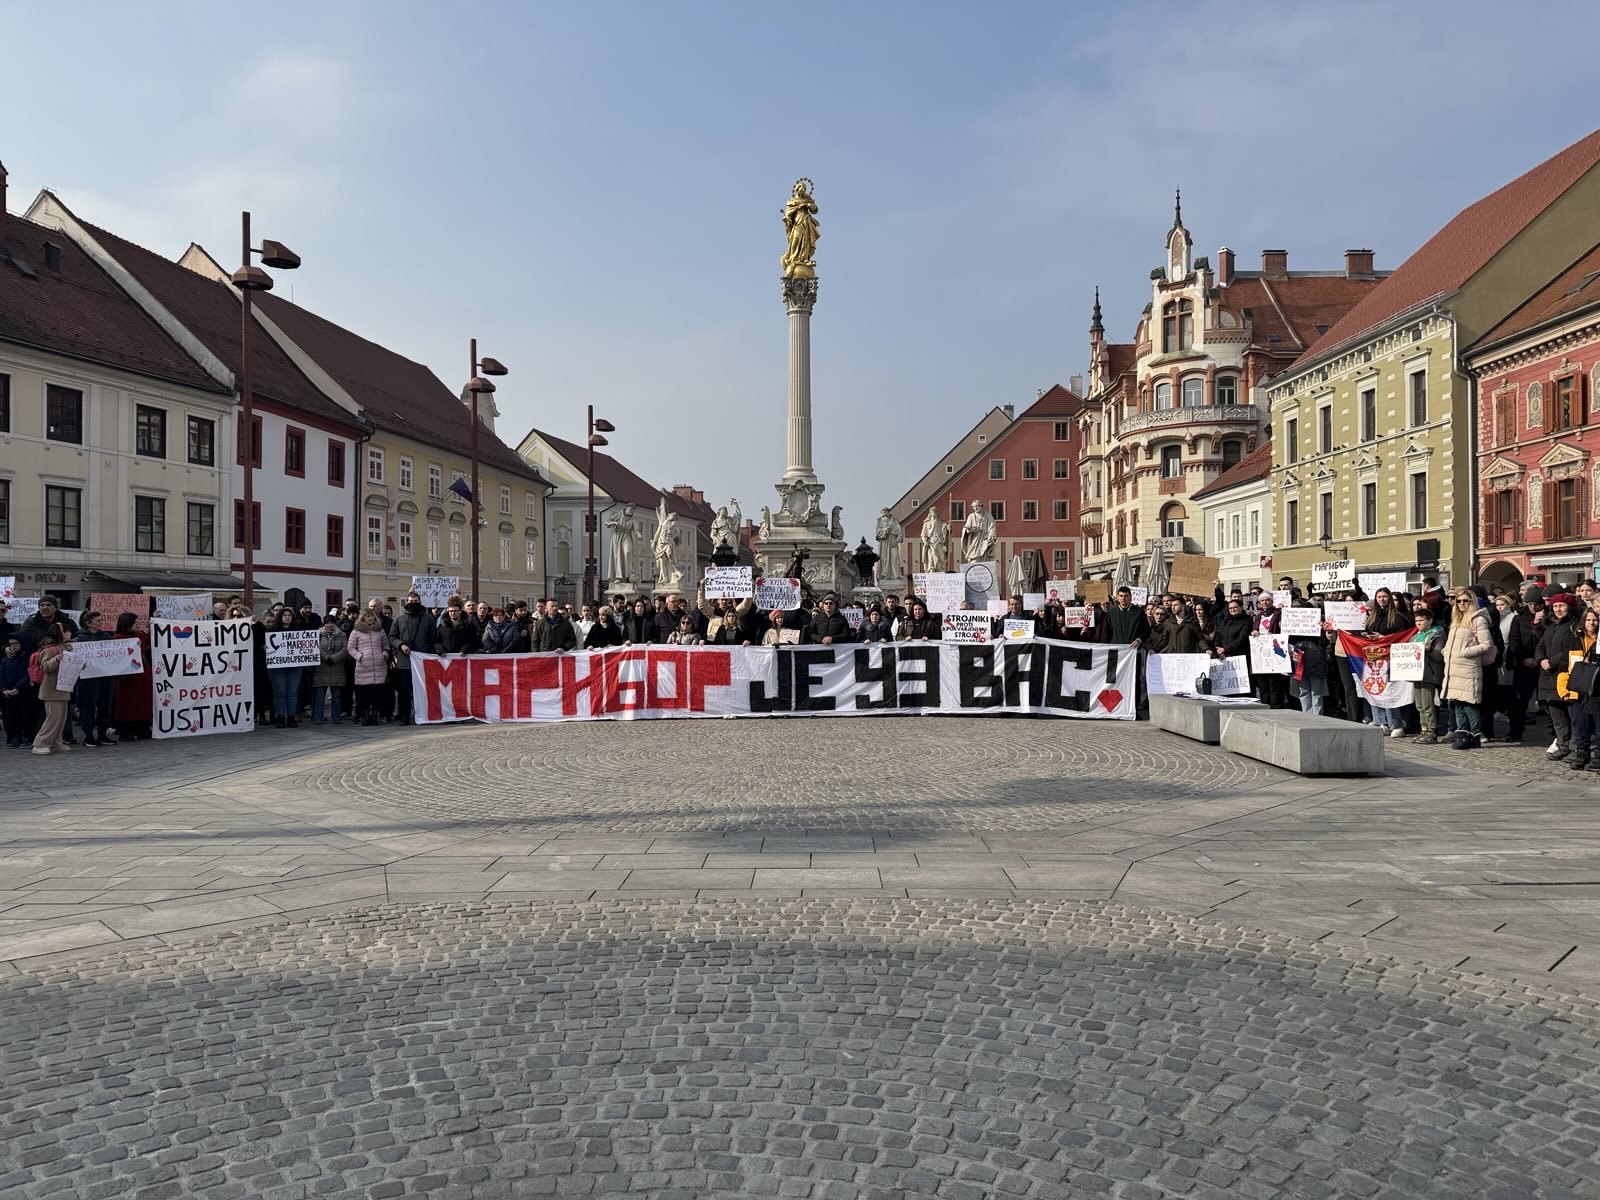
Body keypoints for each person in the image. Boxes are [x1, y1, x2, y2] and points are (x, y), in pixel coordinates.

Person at [1442, 588, 1496, 749]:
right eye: (1459, 601)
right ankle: (1462, 735)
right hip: (1454, 668)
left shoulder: (1478, 619)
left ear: (1472, 601)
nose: (1461, 604)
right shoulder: (1457, 620)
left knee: (1470, 704)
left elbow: (1486, 644)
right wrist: (1446, 652)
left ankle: (1474, 736)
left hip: (1467, 667)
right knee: (1458, 704)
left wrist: (1465, 652)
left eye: (1465, 601)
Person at [1537, 593, 1581, 761]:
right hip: (1548, 676)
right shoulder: (1550, 626)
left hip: (1564, 673)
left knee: (1571, 714)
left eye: (1561, 606)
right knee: (1556, 715)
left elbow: (1571, 649)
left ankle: (1575, 747)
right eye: (1555, 606)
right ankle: (1562, 745)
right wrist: (1541, 659)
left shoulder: (1574, 626)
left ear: (1569, 607)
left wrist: (1552, 662)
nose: (1558, 609)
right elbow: (1540, 646)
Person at [68, 609, 118, 746]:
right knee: (88, 706)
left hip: (106, 677)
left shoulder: (106, 637)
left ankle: (102, 733)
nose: (101, 623)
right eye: (98, 621)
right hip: (88, 679)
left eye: (101, 620)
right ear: (88, 623)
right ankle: (88, 735)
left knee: (105, 705)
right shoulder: (79, 639)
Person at [391, 591, 435, 726]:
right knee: (404, 692)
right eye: (411, 601)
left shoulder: (428, 619)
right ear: (407, 602)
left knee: (422, 691)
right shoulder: (399, 619)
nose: (413, 603)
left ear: (420, 602)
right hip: (405, 662)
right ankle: (405, 716)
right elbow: (392, 637)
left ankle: (422, 715)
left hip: (422, 662)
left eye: (416, 601)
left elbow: (433, 639)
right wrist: (401, 645)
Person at [1564, 608, 1600, 769]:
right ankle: (1581, 752)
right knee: (1580, 722)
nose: (1592, 623)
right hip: (1579, 684)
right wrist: (1564, 688)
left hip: (1597, 686)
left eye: (1595, 620)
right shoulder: (1575, 638)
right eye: (1588, 620)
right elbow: (1565, 665)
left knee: (1598, 722)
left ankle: (1598, 754)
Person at [110, 611, 153, 741]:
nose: (137, 624)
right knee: (128, 703)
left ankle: (142, 728)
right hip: (128, 677)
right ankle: (126, 730)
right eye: (135, 622)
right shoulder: (118, 639)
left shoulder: (138, 635)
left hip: (142, 674)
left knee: (143, 702)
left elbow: (150, 640)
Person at [29, 628, 72, 755]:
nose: (70, 633)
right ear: (61, 633)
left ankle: (55, 742)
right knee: (53, 718)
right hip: (51, 688)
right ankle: (41, 742)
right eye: (67, 631)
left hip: (63, 686)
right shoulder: (50, 649)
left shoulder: (65, 647)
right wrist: (57, 659)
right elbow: (45, 666)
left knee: (61, 718)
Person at [347, 610, 393, 726]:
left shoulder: (380, 630)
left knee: (377, 694)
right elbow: (350, 648)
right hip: (363, 667)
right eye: (367, 616)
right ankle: (365, 717)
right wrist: (360, 656)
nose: (370, 618)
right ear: (363, 618)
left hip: (379, 666)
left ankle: (374, 717)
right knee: (364, 695)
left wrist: (385, 654)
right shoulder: (356, 631)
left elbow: (386, 645)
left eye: (372, 616)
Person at [265, 608, 306, 729]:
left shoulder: (298, 631)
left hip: (294, 666)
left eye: (289, 615)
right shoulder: (272, 630)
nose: (287, 617)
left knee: (292, 692)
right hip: (277, 667)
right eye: (284, 615)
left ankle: (291, 717)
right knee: (280, 692)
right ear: (280, 617)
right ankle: (281, 717)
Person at [313, 615, 349, 724]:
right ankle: (318, 717)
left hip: (337, 667)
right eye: (327, 622)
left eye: (332, 622)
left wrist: (333, 658)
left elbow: (345, 650)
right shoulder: (317, 634)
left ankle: (336, 717)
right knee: (319, 695)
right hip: (321, 667)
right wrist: (326, 657)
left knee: (336, 695)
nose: (329, 625)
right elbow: (315, 647)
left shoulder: (342, 635)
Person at [1, 634, 34, 748]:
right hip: (9, 692)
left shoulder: (28, 657)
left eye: (15, 644)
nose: (13, 646)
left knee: (26, 715)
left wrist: (18, 687)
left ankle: (27, 736)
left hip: (24, 691)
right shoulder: (6, 659)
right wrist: (4, 688)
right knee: (11, 716)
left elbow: (28, 674)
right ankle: (15, 737)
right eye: (10, 644)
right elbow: (2, 674)